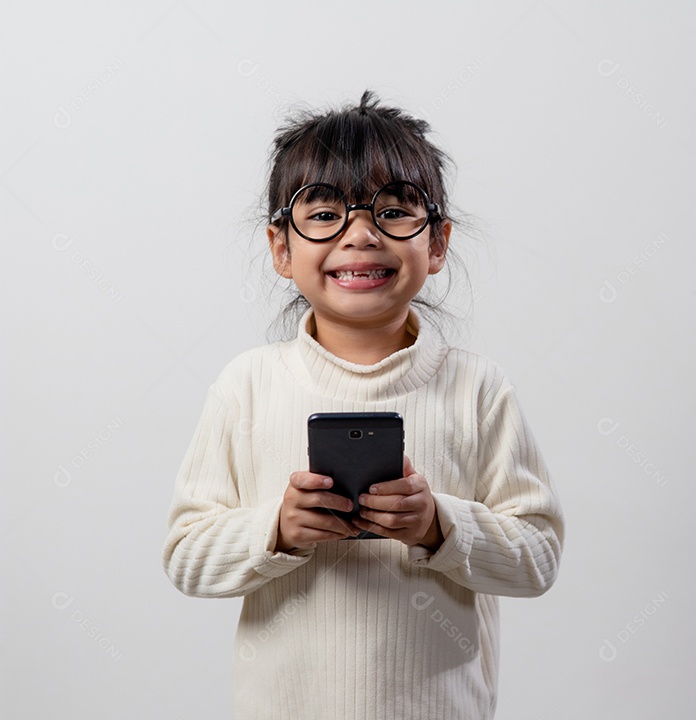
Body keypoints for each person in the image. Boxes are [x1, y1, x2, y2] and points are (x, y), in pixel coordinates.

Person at [162, 90, 565, 720]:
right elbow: (187, 557)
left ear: (436, 244)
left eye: (393, 210)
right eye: (323, 213)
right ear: (280, 248)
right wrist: (277, 530)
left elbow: (537, 557)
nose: (361, 234)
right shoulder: (246, 385)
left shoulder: (479, 389)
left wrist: (439, 525)